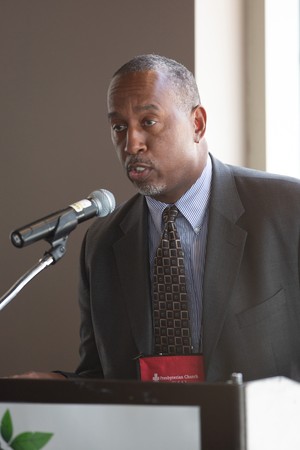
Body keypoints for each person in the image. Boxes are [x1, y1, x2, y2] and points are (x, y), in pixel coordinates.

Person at [13, 54, 300, 382]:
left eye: (148, 122)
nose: (131, 143)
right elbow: (102, 377)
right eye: (119, 127)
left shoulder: (288, 210)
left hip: (266, 430)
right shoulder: (102, 242)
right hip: (151, 433)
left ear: (198, 124)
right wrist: (56, 386)